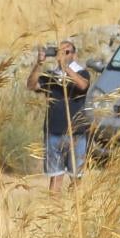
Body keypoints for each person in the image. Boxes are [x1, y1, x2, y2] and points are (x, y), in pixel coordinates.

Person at [33, 39, 92, 189]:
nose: (63, 55)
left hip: (76, 134)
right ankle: (54, 210)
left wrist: (65, 67)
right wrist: (39, 64)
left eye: (66, 52)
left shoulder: (82, 72)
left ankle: (77, 210)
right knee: (55, 177)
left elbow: (83, 85)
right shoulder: (50, 76)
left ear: (74, 55)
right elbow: (31, 85)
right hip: (54, 132)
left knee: (76, 178)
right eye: (60, 52)